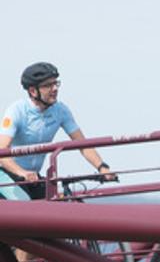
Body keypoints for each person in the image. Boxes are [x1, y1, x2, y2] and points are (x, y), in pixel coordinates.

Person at [0, 62, 116, 202]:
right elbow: (1, 151)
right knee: (25, 207)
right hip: (6, 175)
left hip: (32, 178)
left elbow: (83, 144)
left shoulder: (60, 111)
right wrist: (22, 173)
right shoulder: (16, 111)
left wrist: (102, 167)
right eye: (48, 85)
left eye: (56, 84)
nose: (54, 89)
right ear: (32, 91)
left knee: (64, 205)